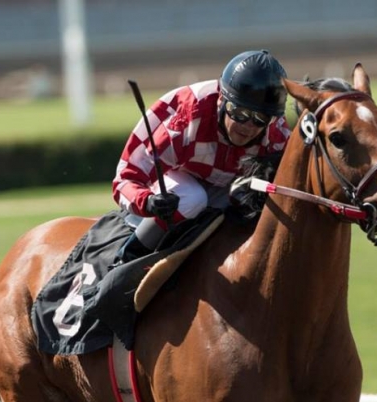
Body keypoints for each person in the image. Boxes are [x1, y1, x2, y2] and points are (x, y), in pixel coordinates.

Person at [112, 49, 291, 263]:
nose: (248, 126)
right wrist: (148, 202)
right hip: (179, 181)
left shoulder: (277, 136)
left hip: (229, 186)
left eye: (260, 119)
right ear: (221, 100)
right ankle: (128, 258)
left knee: (249, 198)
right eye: (239, 113)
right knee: (191, 197)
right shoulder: (185, 118)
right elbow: (126, 178)